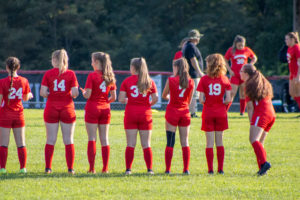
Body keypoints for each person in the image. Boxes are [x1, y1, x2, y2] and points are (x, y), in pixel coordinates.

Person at [40, 49, 79, 174]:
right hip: (67, 108)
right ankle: (70, 169)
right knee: (68, 140)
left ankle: (48, 168)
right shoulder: (71, 74)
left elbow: (42, 93)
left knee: (50, 139)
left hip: (51, 108)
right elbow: (74, 93)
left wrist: (51, 93)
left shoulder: (48, 73)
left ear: (54, 60)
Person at [118, 57, 158, 175]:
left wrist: (131, 100)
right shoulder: (149, 81)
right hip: (145, 114)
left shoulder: (127, 81)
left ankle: (128, 169)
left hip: (131, 113)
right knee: (146, 144)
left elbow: (120, 99)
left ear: (133, 67)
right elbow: (155, 98)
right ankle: (150, 170)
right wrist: (146, 104)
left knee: (130, 144)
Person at [80, 52, 117, 174]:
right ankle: (105, 168)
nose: (91, 63)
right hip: (105, 109)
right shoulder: (110, 76)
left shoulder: (92, 76)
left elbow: (88, 94)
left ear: (96, 62)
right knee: (104, 139)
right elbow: (113, 97)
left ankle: (92, 169)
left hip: (92, 108)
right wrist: (105, 102)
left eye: (92, 61)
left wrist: (84, 92)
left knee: (92, 138)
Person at [197, 54, 231, 174]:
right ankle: (220, 169)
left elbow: (201, 99)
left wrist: (208, 101)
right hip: (221, 112)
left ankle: (210, 169)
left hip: (208, 112)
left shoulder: (204, 79)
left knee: (209, 143)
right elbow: (228, 99)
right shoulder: (225, 79)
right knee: (220, 141)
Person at [240, 64, 275, 176]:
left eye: (241, 71)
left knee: (253, 139)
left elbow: (250, 107)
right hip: (271, 113)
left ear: (246, 73)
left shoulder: (249, 85)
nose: (239, 73)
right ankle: (262, 169)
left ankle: (264, 163)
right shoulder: (263, 81)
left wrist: (252, 123)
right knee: (260, 142)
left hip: (262, 113)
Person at [0, 57, 33, 174]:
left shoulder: (2, 82)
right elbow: (25, 97)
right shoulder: (24, 81)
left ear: (6, 68)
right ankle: (22, 168)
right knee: (21, 143)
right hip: (19, 115)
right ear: (18, 67)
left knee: (4, 143)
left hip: (4, 115)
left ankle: (3, 169)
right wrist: (29, 95)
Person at [162, 58, 194, 174]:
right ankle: (186, 169)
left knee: (170, 141)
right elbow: (189, 101)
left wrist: (172, 98)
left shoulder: (171, 80)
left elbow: (164, 95)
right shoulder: (191, 82)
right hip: (184, 113)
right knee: (185, 141)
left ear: (177, 67)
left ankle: (168, 169)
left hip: (172, 112)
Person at [224, 35, 257, 115]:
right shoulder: (231, 50)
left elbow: (254, 58)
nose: (241, 46)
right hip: (235, 74)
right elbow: (225, 60)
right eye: (239, 45)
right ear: (235, 44)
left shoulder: (247, 49)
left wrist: (250, 65)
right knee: (232, 93)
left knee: (243, 93)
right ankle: (224, 111)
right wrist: (229, 70)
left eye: (242, 45)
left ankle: (242, 112)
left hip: (244, 75)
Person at [182, 29, 205, 118]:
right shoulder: (191, 46)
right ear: (195, 38)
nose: (199, 39)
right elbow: (193, 60)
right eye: (198, 37)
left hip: (189, 73)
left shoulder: (187, 45)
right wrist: (199, 72)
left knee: (191, 93)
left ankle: (190, 111)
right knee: (194, 94)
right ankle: (192, 112)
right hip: (193, 73)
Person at [285, 32, 300, 110]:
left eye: (287, 39)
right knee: (292, 93)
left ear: (293, 39)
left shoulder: (297, 47)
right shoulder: (289, 48)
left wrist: (298, 75)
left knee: (298, 93)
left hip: (297, 73)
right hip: (292, 73)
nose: (285, 41)